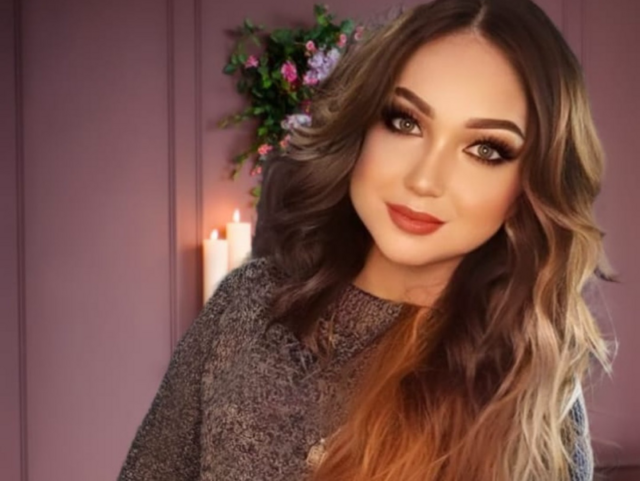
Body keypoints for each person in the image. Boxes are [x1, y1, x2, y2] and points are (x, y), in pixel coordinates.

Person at [118, 0, 617, 480]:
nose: (424, 179)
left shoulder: (530, 391)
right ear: (362, 127)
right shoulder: (247, 306)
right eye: (405, 122)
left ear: (529, 186)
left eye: (486, 150)